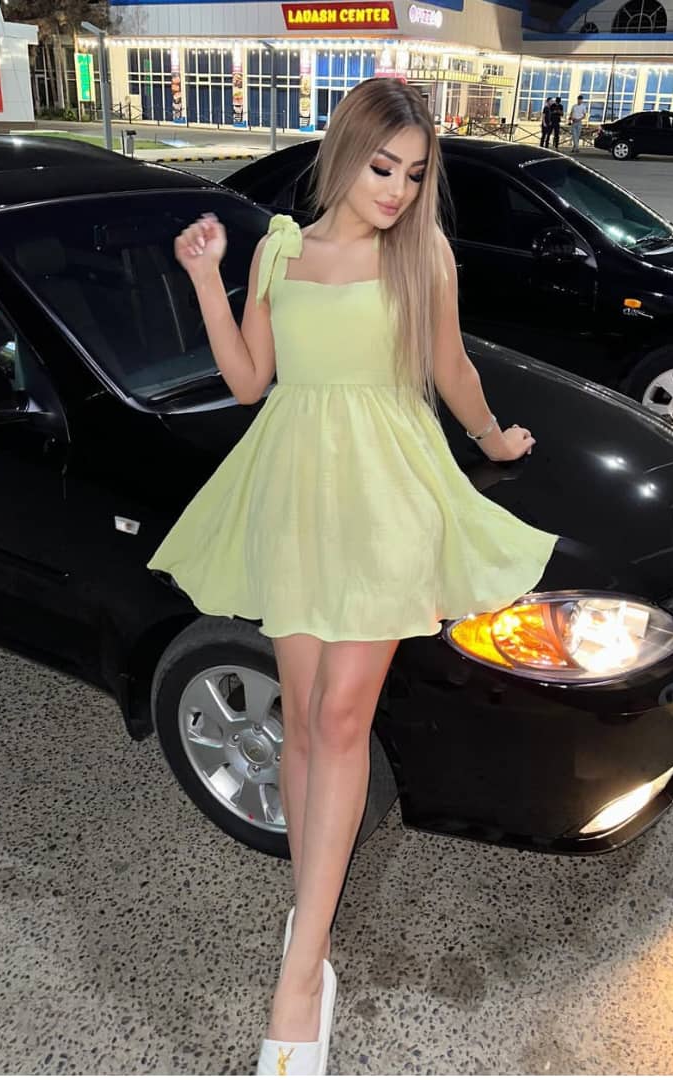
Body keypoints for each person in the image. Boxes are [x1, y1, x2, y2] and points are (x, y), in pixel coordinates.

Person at [148, 78, 558, 1076]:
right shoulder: (279, 250)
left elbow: (450, 368)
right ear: (343, 155)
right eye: (382, 168)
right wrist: (204, 276)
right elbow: (249, 382)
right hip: (296, 494)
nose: (396, 191)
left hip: (384, 497)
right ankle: (311, 918)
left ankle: (301, 970)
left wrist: (491, 436)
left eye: (413, 175)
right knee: (299, 715)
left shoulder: (422, 254)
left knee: (339, 719)